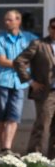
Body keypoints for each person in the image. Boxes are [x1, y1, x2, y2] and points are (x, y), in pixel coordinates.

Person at [0, 9, 36, 154]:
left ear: (19, 21)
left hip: (21, 82)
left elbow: (40, 52)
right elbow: (2, 60)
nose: (6, 22)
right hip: (1, 80)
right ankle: (3, 149)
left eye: (9, 20)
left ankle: (7, 148)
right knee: (1, 116)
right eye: (5, 20)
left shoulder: (29, 38)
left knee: (14, 116)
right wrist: (22, 64)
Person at [15, 17, 55, 157]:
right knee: (42, 125)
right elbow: (19, 61)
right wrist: (31, 81)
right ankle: (34, 158)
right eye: (53, 27)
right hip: (46, 92)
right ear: (49, 28)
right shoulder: (38, 44)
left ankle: (53, 160)